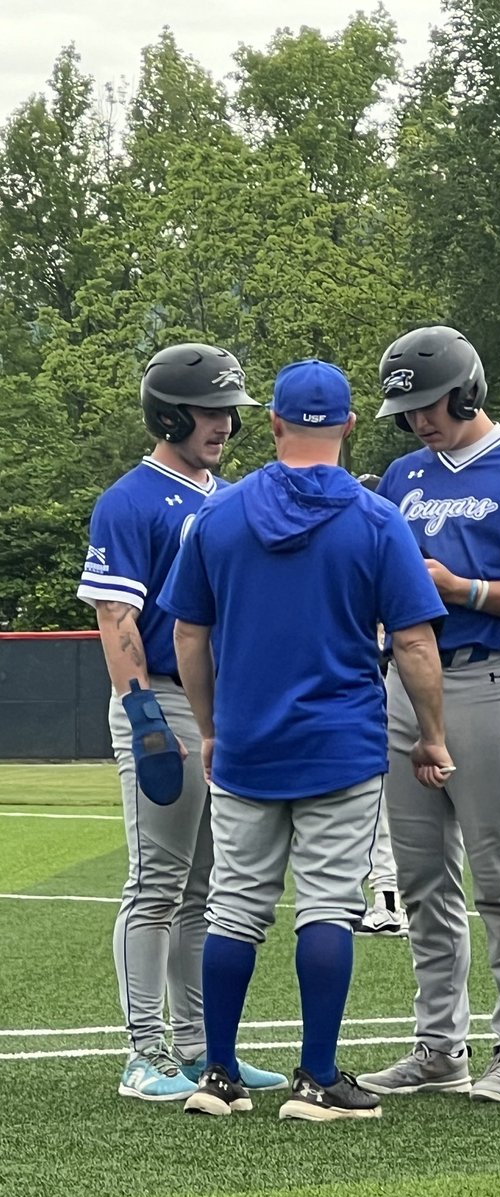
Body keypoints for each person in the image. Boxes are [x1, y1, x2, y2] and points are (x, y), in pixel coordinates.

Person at [156, 358, 453, 1121]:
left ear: (276, 425)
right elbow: (416, 645)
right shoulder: (376, 517)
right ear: (351, 427)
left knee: (234, 910)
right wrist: (432, 737)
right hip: (341, 742)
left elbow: (189, 634)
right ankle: (317, 1080)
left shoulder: (218, 516)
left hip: (249, 744)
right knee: (326, 906)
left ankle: (216, 1077)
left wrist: (214, 727)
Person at [356, 325, 500, 1103]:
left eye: (430, 403)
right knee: (421, 878)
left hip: (490, 678)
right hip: (404, 684)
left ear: (467, 390)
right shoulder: (401, 475)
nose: (420, 419)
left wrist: (464, 590)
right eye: (408, 409)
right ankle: (438, 1047)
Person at [76, 343, 286, 1101]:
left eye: (230, 411)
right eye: (211, 410)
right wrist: (142, 714)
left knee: (206, 884)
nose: (226, 423)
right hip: (160, 697)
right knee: (156, 882)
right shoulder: (130, 499)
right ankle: (144, 1053)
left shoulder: (226, 495)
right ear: (169, 413)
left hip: (220, 705)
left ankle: (200, 1048)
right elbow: (115, 614)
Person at [354, 473, 409, 940]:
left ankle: (389, 901)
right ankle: (375, 897)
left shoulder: (379, 550)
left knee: (381, 804)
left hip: (382, 686)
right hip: (384, 682)